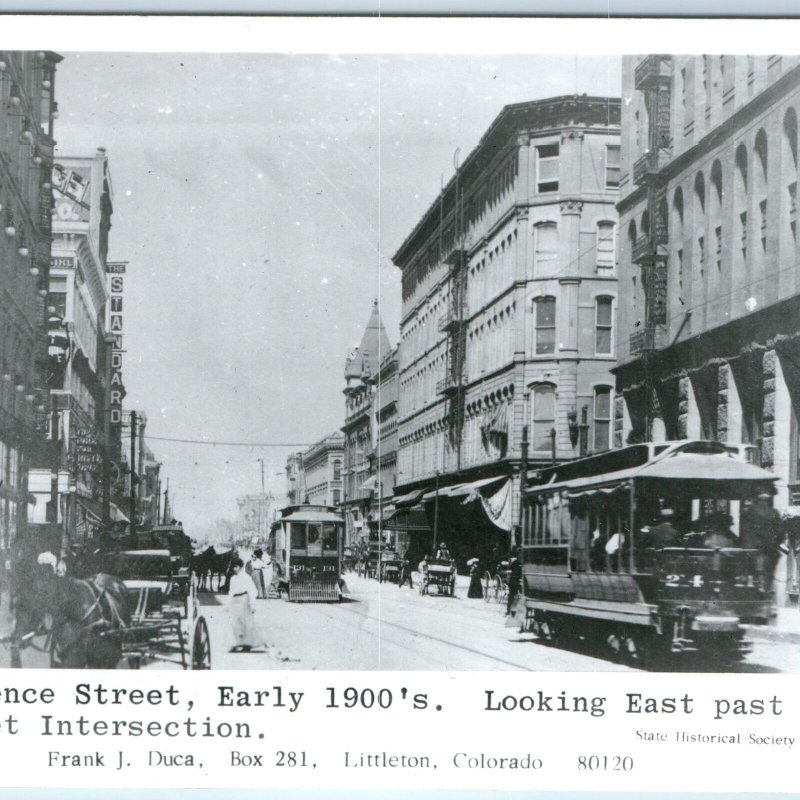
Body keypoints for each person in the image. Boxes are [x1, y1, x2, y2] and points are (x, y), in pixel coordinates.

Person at [227, 557, 261, 652]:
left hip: (244, 599)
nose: (234, 569)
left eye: (236, 567)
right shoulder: (233, 578)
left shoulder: (246, 577)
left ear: (240, 567)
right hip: (235, 600)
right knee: (235, 622)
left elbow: (252, 590)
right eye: (233, 567)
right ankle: (236, 643)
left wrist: (253, 604)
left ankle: (247, 643)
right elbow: (231, 591)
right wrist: (228, 602)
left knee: (246, 621)